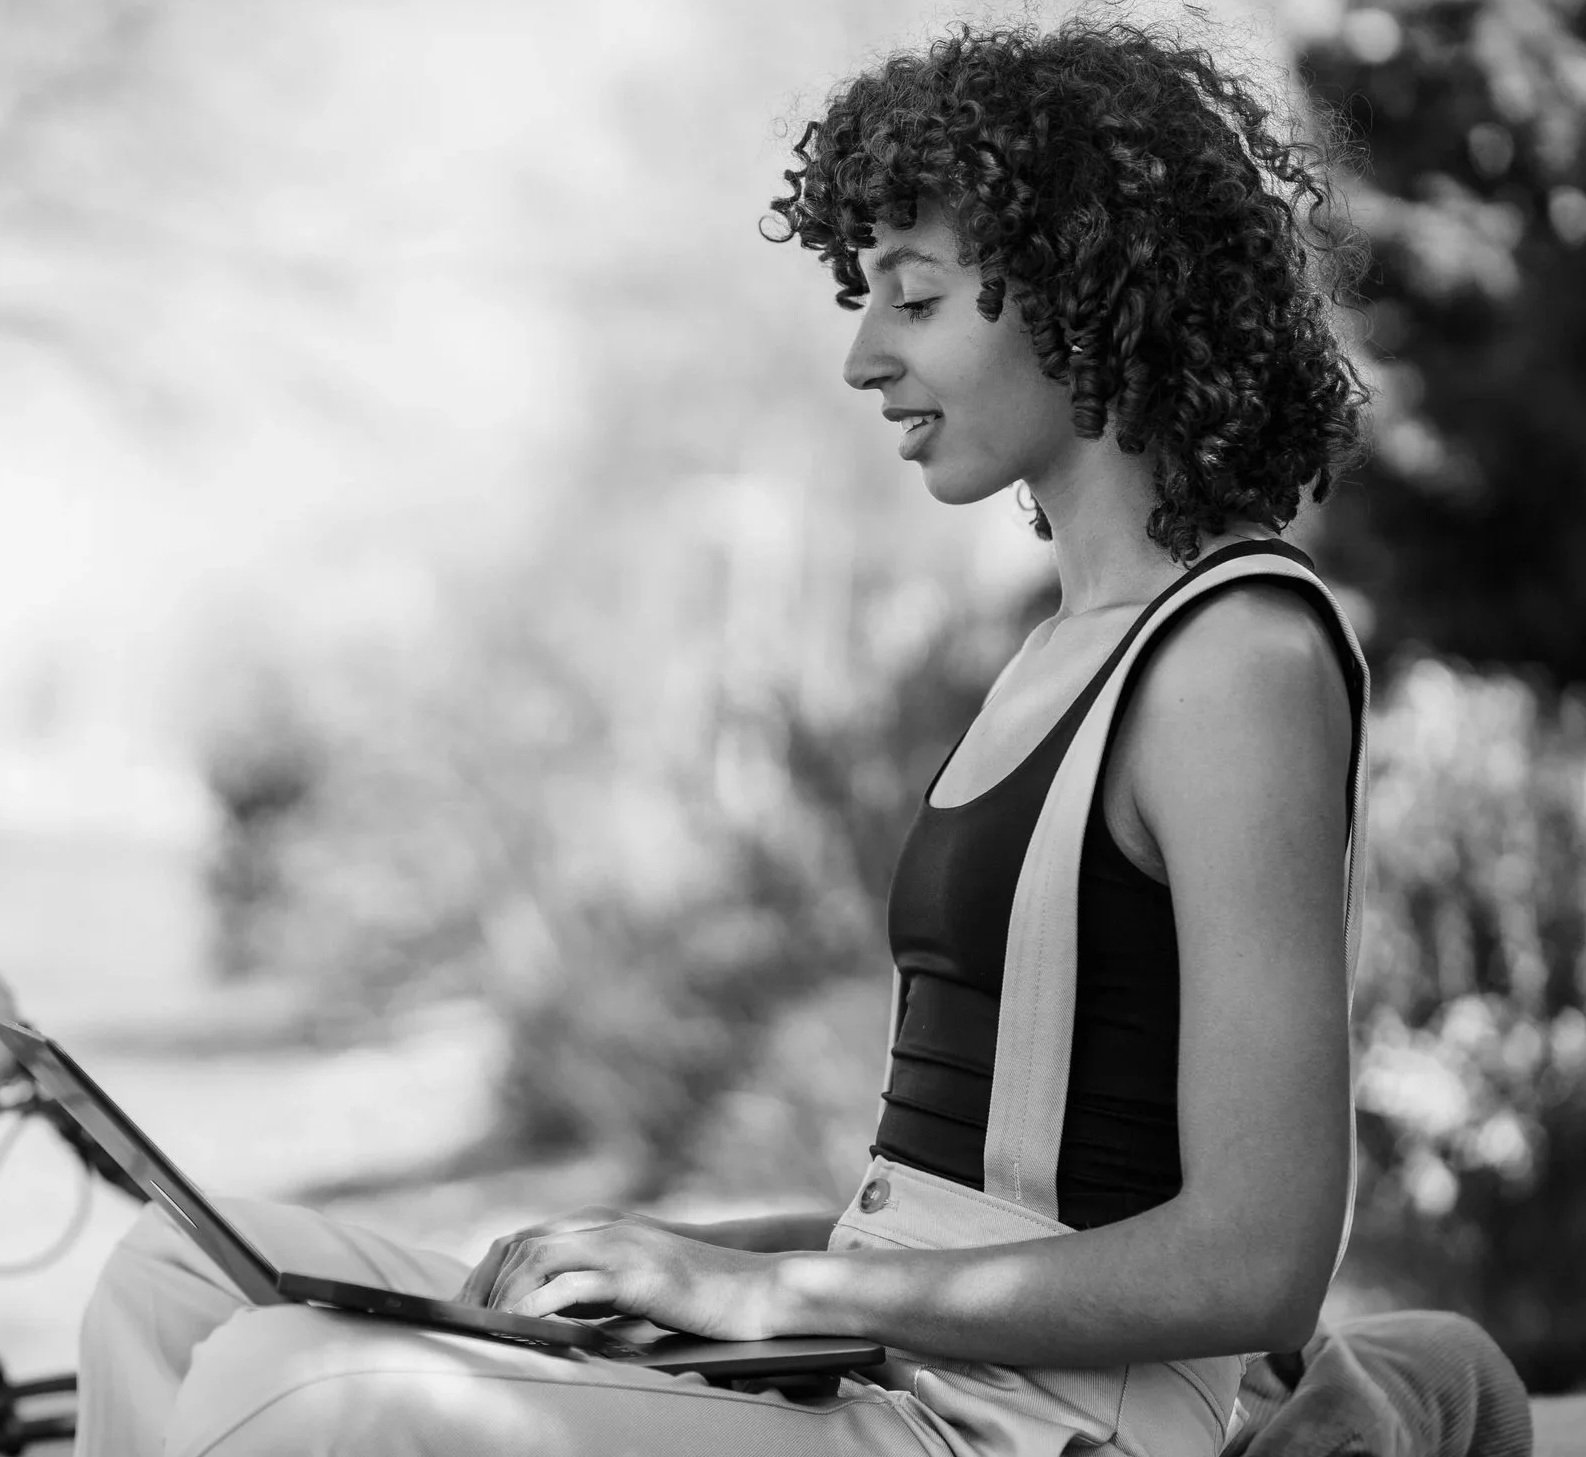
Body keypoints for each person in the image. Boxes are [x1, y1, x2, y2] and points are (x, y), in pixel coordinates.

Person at [73, 15, 1379, 1457]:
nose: (863, 356)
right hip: (888, 1347)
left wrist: (768, 1291)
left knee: (294, 1388)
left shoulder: (1231, 659)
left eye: (913, 296)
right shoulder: (1059, 649)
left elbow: (1259, 1255)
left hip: (1024, 1424)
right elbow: (955, 1201)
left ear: (1084, 286)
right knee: (177, 1278)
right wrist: (676, 1250)